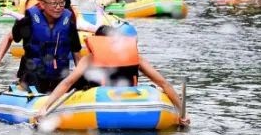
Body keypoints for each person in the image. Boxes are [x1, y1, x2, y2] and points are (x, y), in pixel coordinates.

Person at [36, 24, 189, 126]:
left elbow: (68, 83)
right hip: (131, 104)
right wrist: (182, 113)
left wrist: (45, 107)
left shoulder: (89, 59)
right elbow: (163, 83)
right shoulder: (135, 56)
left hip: (99, 101)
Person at [0, 0, 82, 93]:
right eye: (54, 3)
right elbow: (9, 37)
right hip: (34, 73)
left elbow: (76, 52)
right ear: (43, 4)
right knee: (33, 75)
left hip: (59, 73)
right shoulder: (29, 21)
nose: (58, 7)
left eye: (61, 3)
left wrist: (79, 74)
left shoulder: (68, 23)